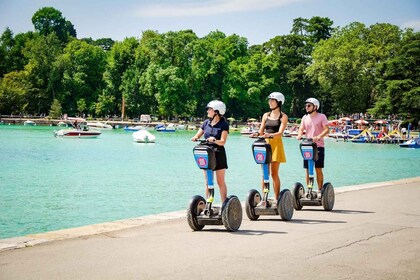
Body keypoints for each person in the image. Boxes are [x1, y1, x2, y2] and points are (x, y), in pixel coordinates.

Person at [251, 92, 288, 202]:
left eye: (272, 100)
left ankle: (277, 199)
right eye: (269, 100)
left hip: (276, 144)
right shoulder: (266, 115)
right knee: (265, 172)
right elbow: (261, 130)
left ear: (279, 102)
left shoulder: (283, 116)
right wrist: (257, 134)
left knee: (274, 173)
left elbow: (280, 133)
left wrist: (270, 135)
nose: (270, 102)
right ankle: (264, 198)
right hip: (265, 144)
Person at [191, 100, 229, 202]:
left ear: (217, 111)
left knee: (220, 181)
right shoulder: (206, 123)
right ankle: (208, 204)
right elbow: (198, 134)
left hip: (218, 154)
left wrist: (215, 140)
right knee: (208, 181)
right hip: (207, 154)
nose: (208, 111)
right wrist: (195, 137)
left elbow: (223, 141)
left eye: (210, 109)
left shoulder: (223, 124)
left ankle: (224, 205)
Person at [297, 98, 329, 198]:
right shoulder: (304, 117)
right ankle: (309, 189)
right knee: (307, 169)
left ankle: (320, 190)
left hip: (318, 146)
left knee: (318, 169)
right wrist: (299, 135)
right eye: (306, 105)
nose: (306, 107)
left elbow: (327, 130)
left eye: (309, 105)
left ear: (315, 107)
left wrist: (319, 137)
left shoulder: (322, 117)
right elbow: (301, 128)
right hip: (307, 146)